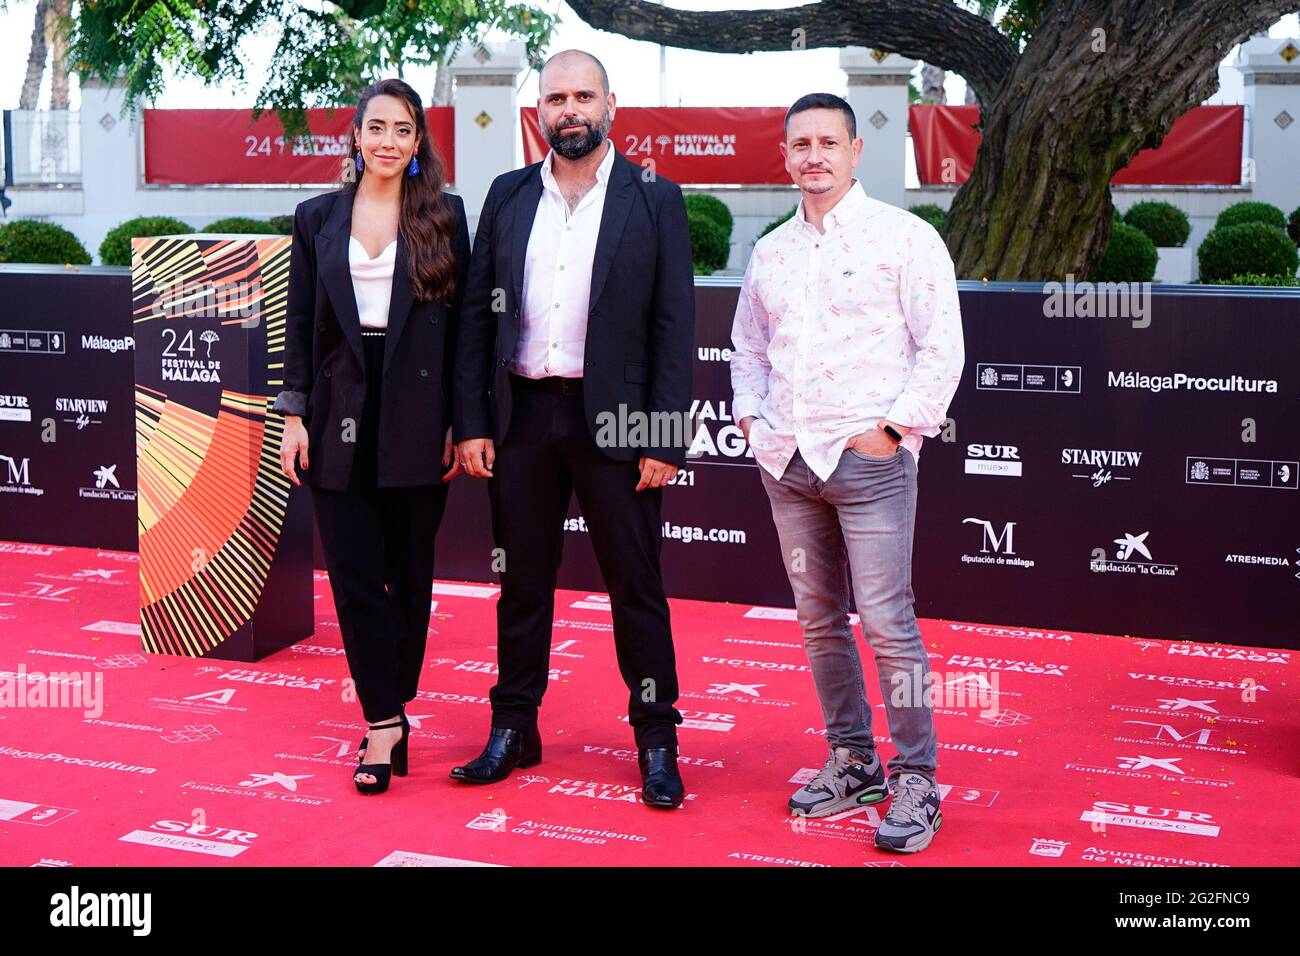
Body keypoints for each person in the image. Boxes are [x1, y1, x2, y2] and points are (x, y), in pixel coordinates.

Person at [451, 50, 695, 808]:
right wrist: (472, 421)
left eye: (583, 95)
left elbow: (673, 325)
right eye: (556, 96)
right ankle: (514, 728)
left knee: (637, 588)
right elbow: (473, 318)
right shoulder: (508, 193)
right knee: (520, 587)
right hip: (523, 415)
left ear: (610, 103)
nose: (570, 109)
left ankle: (657, 741)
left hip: (618, 422)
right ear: (540, 110)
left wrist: (662, 436)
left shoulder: (656, 198)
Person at [730, 92, 964, 852]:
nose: (814, 157)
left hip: (871, 466)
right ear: (787, 155)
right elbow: (749, 351)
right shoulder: (770, 252)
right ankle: (854, 761)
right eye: (800, 144)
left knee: (890, 625)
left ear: (856, 151)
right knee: (818, 620)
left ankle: (918, 777)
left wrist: (892, 431)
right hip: (787, 463)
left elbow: (941, 349)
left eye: (829, 142)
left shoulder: (908, 238)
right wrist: (752, 421)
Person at [273, 78, 470, 795]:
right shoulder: (315, 216)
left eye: (403, 130)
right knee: (355, 573)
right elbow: (298, 322)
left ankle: (395, 698)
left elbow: (461, 333)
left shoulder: (445, 216)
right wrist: (294, 414)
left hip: (418, 406)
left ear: (418, 144)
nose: (388, 141)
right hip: (337, 408)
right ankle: (383, 721)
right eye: (376, 127)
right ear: (356, 137)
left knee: (410, 571)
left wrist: (460, 418)